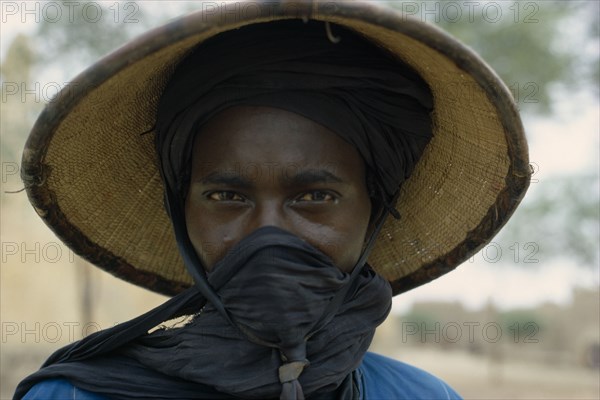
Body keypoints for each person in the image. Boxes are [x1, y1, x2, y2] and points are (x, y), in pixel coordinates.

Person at [14, 1, 530, 399]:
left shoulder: (423, 397)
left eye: (316, 197)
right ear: (182, 210)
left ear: (375, 207)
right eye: (226, 195)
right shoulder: (74, 394)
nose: (268, 235)